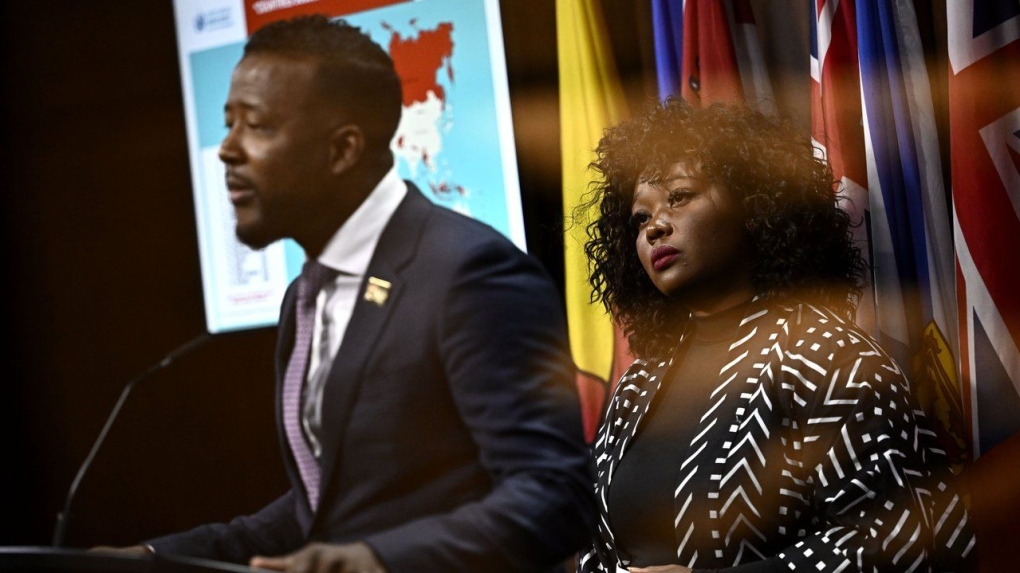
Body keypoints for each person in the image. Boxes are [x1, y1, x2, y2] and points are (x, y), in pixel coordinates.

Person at [102, 14, 595, 573]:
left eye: (256, 126)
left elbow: (555, 495)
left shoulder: (469, 273)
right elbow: (326, 508)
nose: (226, 150)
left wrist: (374, 561)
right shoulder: (304, 297)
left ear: (342, 151)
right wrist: (155, 558)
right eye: (227, 124)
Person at [574, 97, 975, 572]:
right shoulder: (638, 385)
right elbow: (598, 551)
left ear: (754, 206)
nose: (655, 226)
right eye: (640, 219)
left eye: (680, 197)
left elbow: (917, 535)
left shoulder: (824, 355)